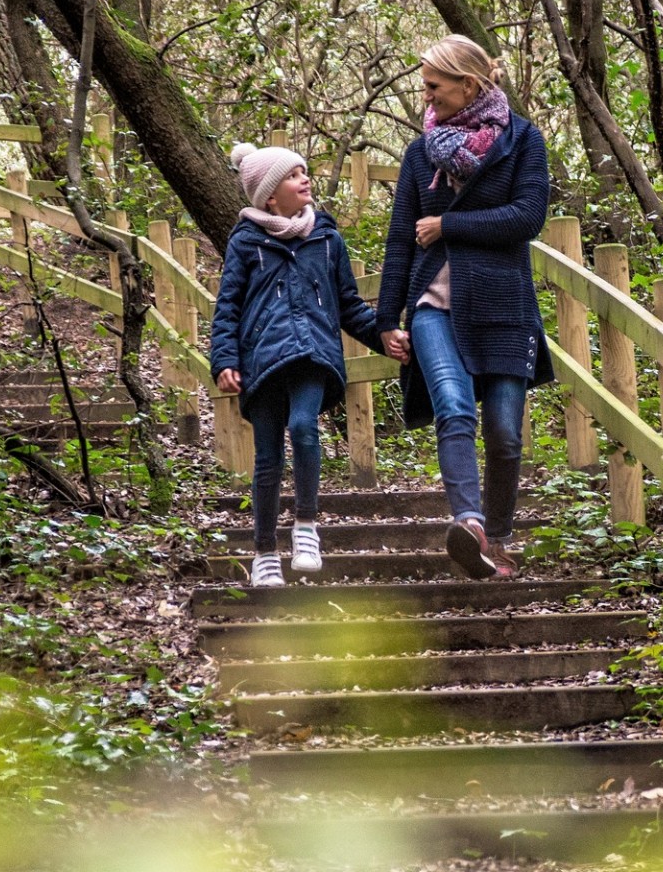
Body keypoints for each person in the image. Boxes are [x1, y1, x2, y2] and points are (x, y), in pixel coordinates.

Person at [377, 35, 552, 580]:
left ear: (468, 85)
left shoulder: (523, 141)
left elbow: (527, 218)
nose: (426, 97)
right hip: (433, 305)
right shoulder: (419, 150)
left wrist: (450, 224)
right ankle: (470, 525)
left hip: (503, 302)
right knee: (453, 408)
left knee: (503, 431)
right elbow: (401, 239)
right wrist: (385, 320)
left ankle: (497, 536)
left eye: (434, 86)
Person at [211, 142, 402, 586]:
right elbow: (228, 308)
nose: (306, 179)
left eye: (304, 171)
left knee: (303, 426)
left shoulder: (328, 240)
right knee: (268, 460)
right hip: (261, 360)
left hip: (314, 353)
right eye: (294, 175)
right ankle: (264, 553)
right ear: (271, 196)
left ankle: (306, 526)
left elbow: (350, 306)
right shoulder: (245, 243)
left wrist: (383, 336)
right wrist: (224, 359)